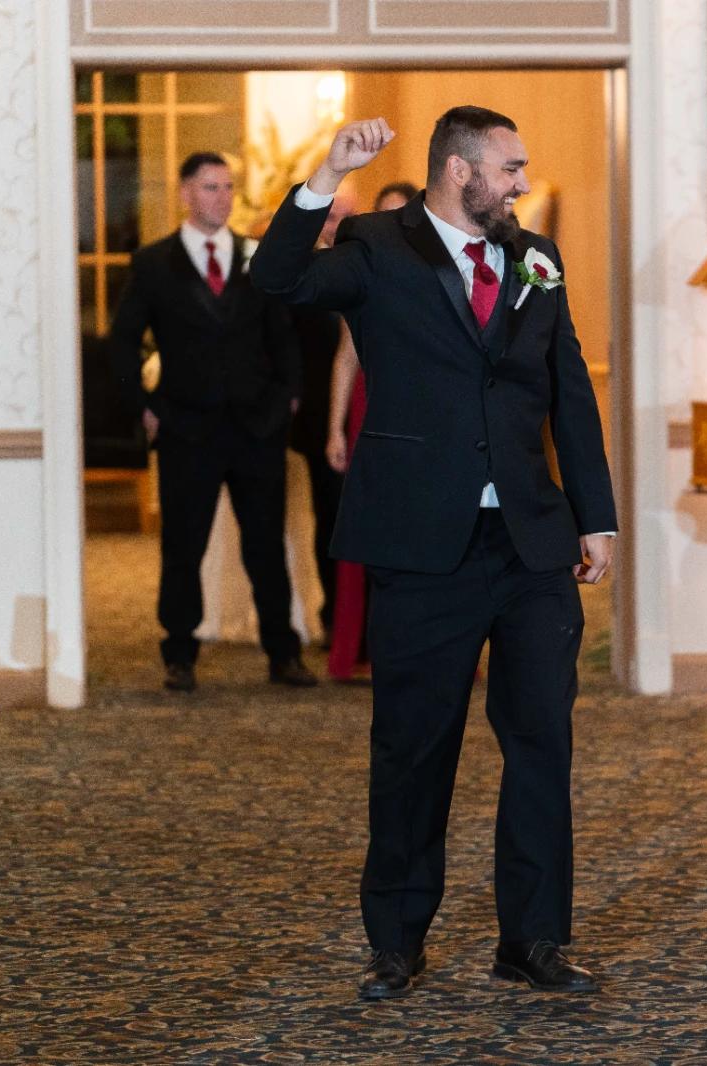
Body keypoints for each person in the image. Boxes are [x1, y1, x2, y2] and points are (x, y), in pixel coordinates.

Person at [251, 110, 616, 1000]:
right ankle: (396, 942)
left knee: (541, 744)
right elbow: (279, 278)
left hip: (530, 544)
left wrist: (595, 516)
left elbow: (568, 392)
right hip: (421, 545)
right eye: (512, 167)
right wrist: (325, 178)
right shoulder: (378, 245)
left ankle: (531, 941)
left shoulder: (538, 260)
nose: (524, 182)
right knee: (414, 749)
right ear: (460, 170)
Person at [109, 151, 317, 693]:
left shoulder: (258, 258)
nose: (221, 197)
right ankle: (180, 654)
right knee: (183, 544)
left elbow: (284, 339)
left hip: (257, 428)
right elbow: (122, 341)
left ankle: (283, 653)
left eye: (227, 187)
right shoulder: (154, 264)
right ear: (184, 193)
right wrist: (145, 407)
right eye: (209, 187)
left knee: (266, 544)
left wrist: (288, 399)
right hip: (186, 429)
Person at [323, 181, 420, 681]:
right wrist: (335, 428)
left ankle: (429, 649)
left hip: (427, 414)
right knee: (367, 534)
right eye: (386, 216)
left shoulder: (444, 271)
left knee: (425, 531)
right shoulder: (363, 274)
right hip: (370, 410)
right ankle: (357, 652)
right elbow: (346, 356)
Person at [287, 188, 357, 643]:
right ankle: (335, 613)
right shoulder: (303, 276)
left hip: (374, 414)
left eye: (344, 218)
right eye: (329, 217)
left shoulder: (373, 269)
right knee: (330, 520)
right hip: (319, 419)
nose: (334, 226)